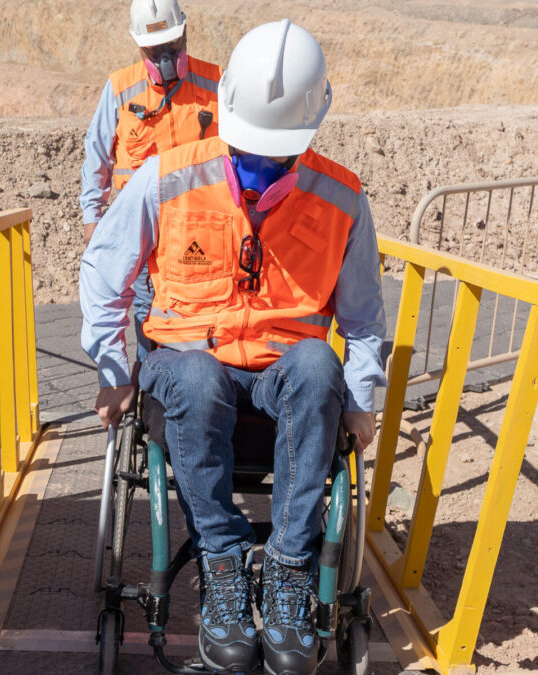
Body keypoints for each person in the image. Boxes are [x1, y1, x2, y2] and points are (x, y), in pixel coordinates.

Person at [80, 19, 385, 675]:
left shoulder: (342, 199)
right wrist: (113, 369)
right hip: (188, 369)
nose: (258, 170)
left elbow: (361, 318)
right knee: (193, 378)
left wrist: (361, 399)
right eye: (249, 152)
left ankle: (286, 574)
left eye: (274, 156)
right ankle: (222, 565)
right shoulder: (167, 177)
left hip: (283, 375)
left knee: (316, 363)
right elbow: (103, 274)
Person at [80, 0, 222, 361]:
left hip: (202, 231)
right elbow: (98, 155)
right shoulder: (120, 89)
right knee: (149, 316)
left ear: (186, 34)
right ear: (139, 46)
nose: (164, 57)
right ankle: (148, 394)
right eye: (155, 49)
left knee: (203, 316)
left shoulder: (216, 82)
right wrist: (91, 217)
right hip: (143, 233)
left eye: (172, 46)